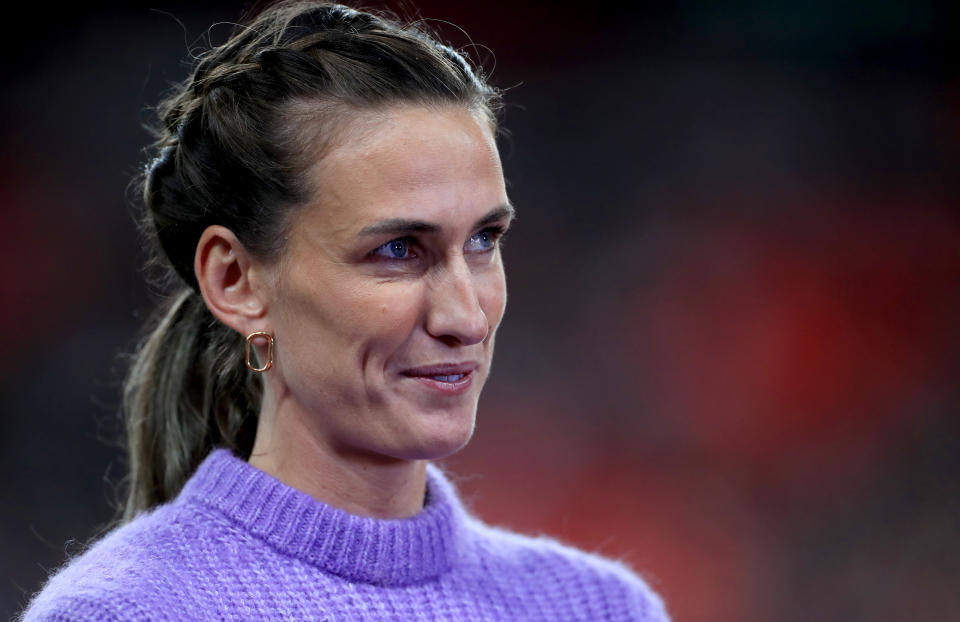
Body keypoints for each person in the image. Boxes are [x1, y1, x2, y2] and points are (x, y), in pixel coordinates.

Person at [21, 1, 670, 620]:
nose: (466, 318)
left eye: (483, 240)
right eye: (398, 250)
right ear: (237, 281)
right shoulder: (122, 611)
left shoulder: (601, 608)